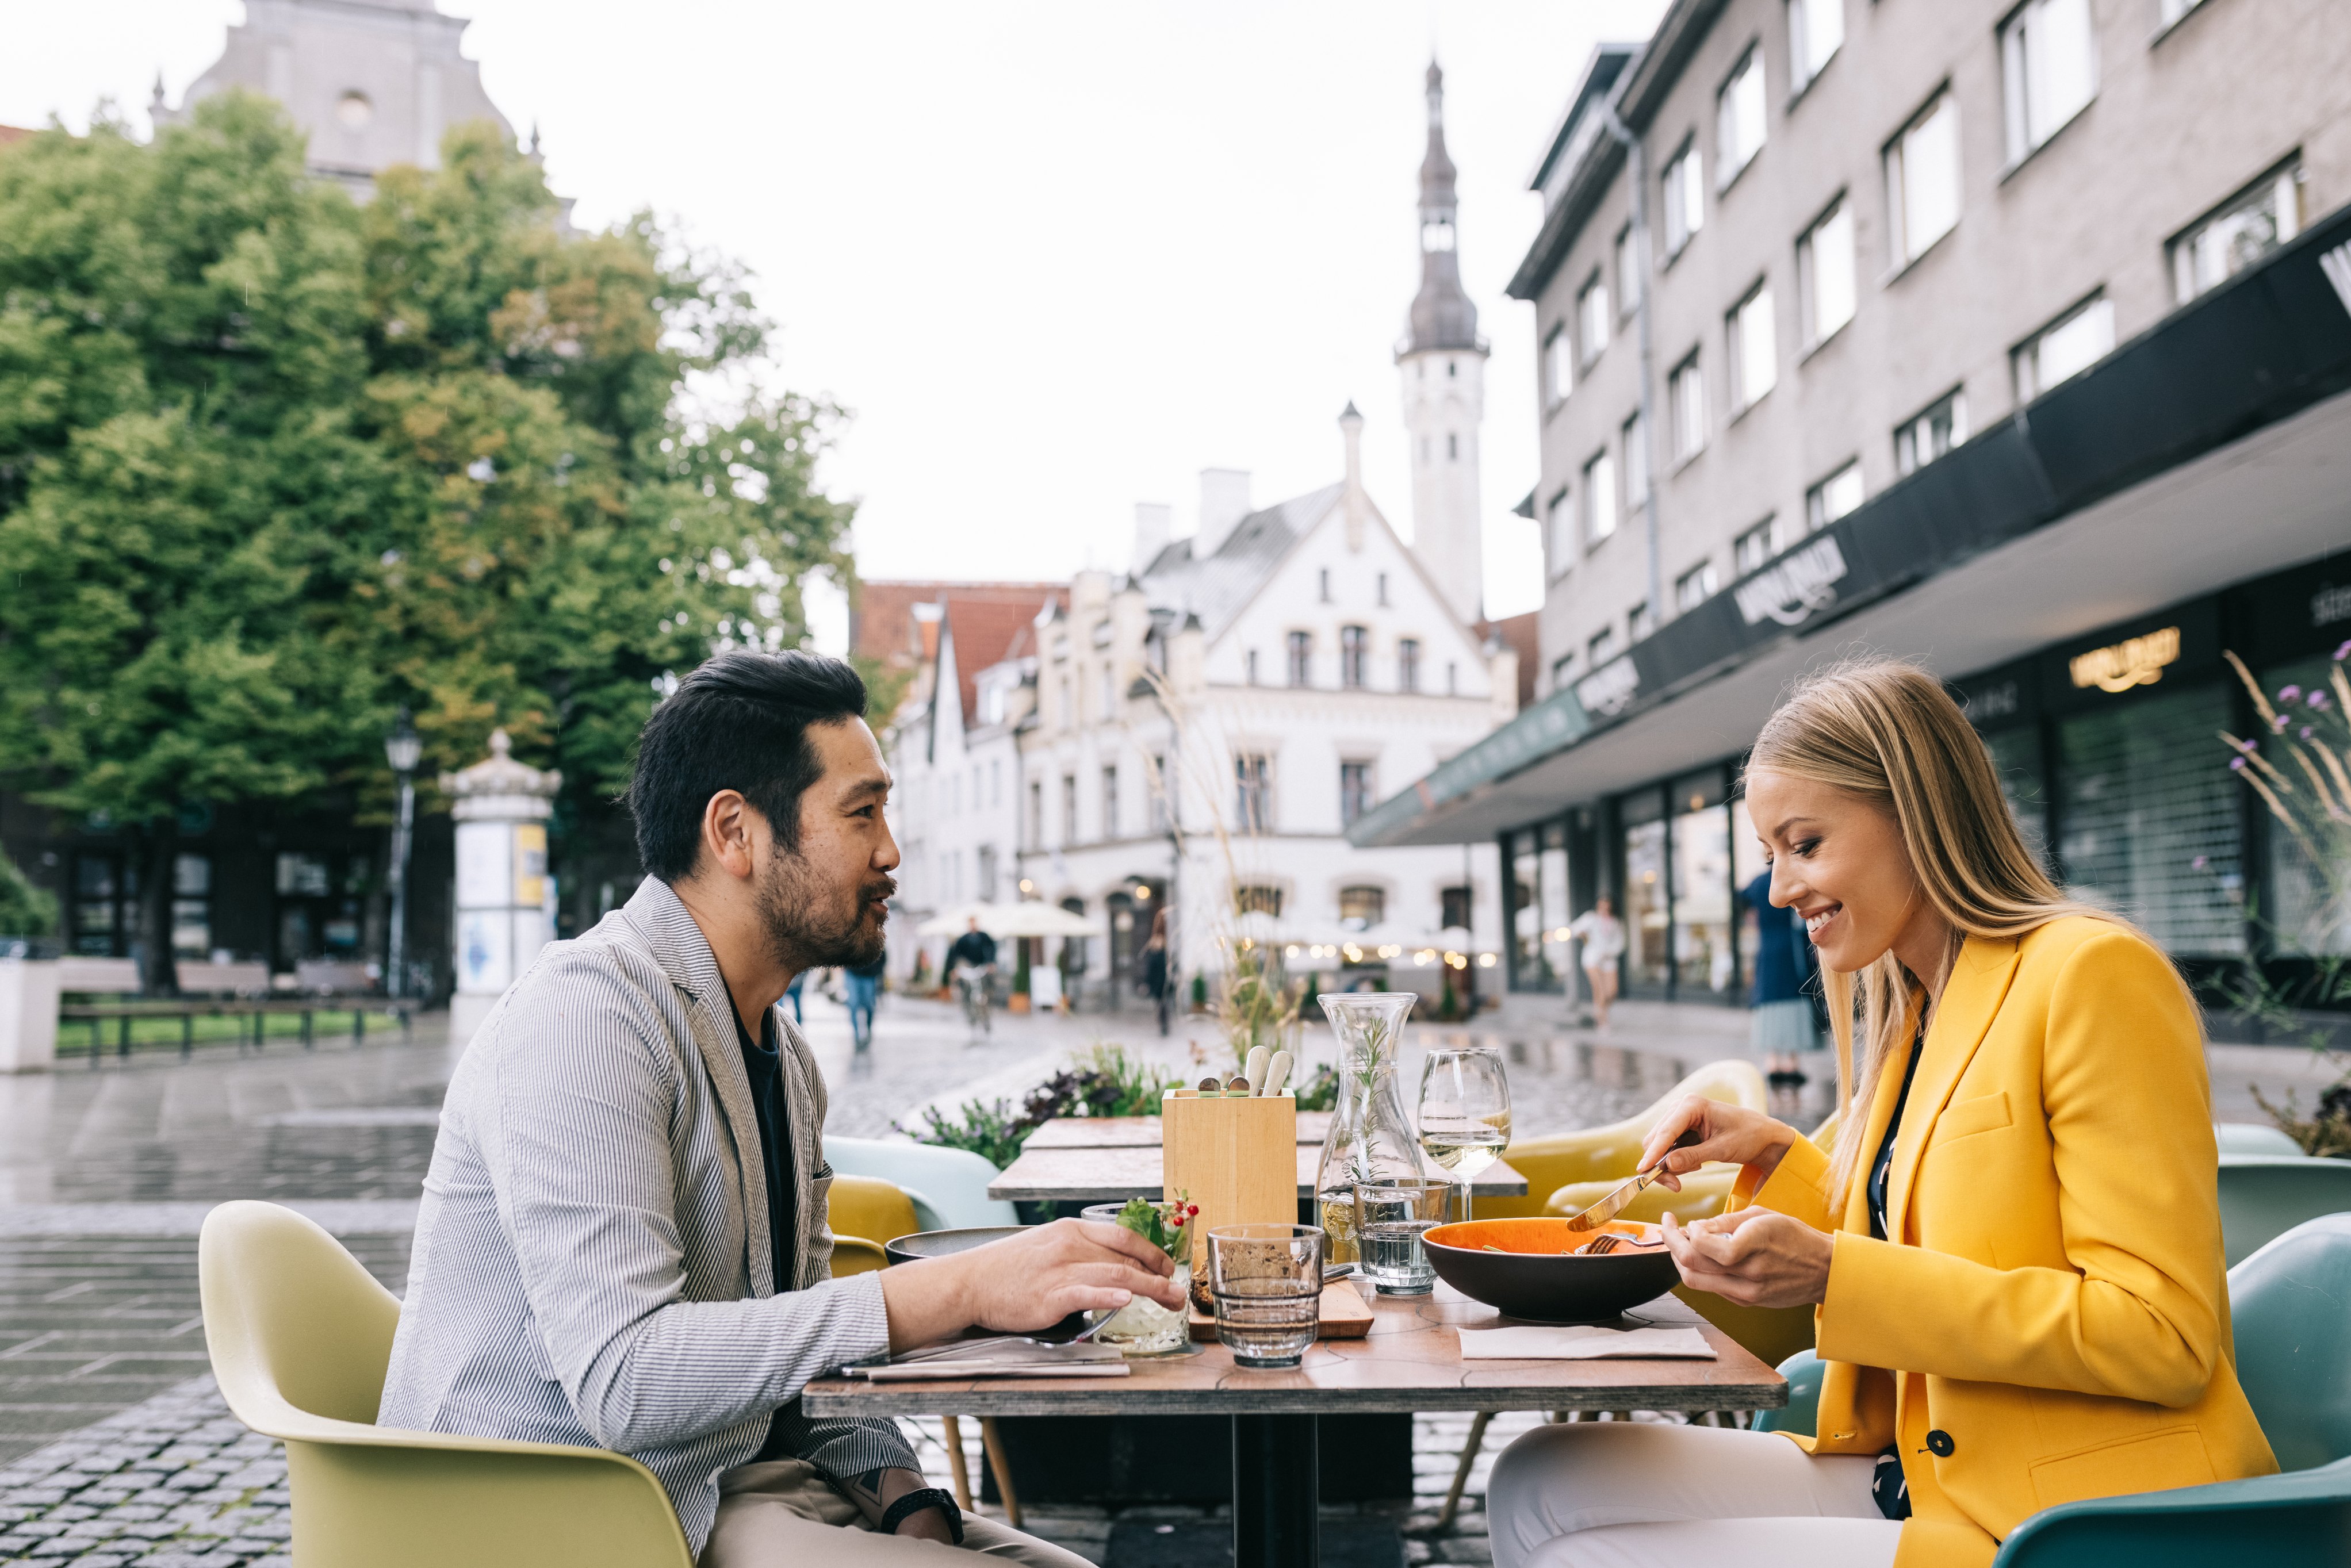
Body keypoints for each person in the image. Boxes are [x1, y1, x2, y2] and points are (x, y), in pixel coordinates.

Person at [378, 650, 1181, 1566]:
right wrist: (957, 1286)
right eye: (862, 811)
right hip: (571, 1507)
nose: (891, 850)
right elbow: (624, 1377)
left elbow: (798, 1343)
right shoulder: (588, 1013)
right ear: (736, 831)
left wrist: (906, 1492)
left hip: (725, 1479)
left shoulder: (783, 1054)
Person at [1484, 662, 2275, 1568]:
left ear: (1916, 813)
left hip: (2078, 1515)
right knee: (1544, 1472)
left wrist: (1834, 1275)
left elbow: (2161, 1336)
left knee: (1587, 1552)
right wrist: (1780, 1154)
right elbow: (1933, 1227)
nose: (1782, 888)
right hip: (1928, 1477)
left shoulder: (2091, 976)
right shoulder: (1914, 1010)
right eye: (1769, 854)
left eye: (1806, 842)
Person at [1744, 864, 1820, 1086]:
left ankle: (1773, 1061)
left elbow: (1741, 897)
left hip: (1767, 950)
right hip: (1791, 948)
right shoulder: (1791, 878)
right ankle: (1792, 1062)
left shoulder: (1758, 884)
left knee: (1768, 999)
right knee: (1793, 995)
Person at [1565, 897, 1625, 1029]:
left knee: (1612, 991)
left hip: (1608, 959)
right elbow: (1574, 929)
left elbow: (1620, 943)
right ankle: (1602, 1021)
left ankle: (1601, 1010)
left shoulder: (1616, 922)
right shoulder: (1590, 919)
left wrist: (1609, 952)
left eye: (1606, 906)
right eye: (1601, 906)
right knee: (1600, 990)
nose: (1604, 909)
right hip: (1592, 959)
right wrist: (1581, 934)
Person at [945, 917, 997, 1034]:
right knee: (967, 993)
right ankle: (971, 1020)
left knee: (985, 993)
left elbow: (991, 949)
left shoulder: (984, 937)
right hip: (968, 970)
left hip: (982, 969)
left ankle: (986, 1020)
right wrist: (955, 970)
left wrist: (991, 963)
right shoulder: (963, 939)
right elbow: (955, 954)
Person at [844, 948, 885, 1050]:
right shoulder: (850, 934)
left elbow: (883, 954)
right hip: (852, 974)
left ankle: (869, 1029)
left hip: (869, 976)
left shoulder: (873, 932)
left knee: (868, 1005)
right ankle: (857, 1036)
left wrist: (876, 971)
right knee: (853, 1004)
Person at [1141, 907, 1171, 1037]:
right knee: (1162, 1007)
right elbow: (1151, 972)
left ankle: (1164, 1025)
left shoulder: (1160, 956)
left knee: (1162, 1007)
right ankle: (1163, 1025)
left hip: (1161, 985)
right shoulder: (1160, 955)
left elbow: (1153, 971)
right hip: (1161, 985)